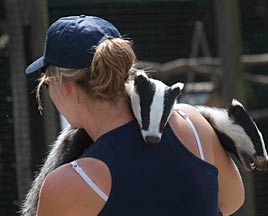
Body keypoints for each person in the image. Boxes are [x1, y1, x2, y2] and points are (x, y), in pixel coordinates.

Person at [25, 15, 244, 216]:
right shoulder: (192, 122)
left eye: (46, 81)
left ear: (65, 86)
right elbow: (232, 200)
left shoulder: (70, 183)